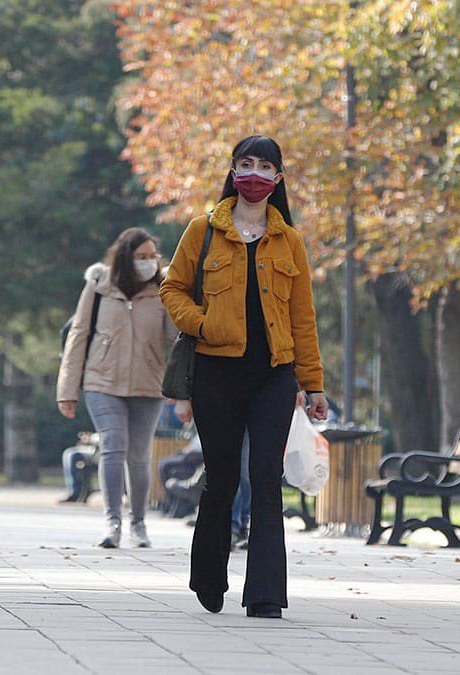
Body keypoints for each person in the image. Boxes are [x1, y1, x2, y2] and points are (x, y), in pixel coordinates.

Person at [160, 135, 327, 620]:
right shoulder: (202, 230)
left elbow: (303, 318)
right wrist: (201, 323)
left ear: (278, 178)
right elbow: (171, 288)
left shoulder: (289, 241)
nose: (254, 174)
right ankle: (209, 578)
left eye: (265, 166)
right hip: (216, 371)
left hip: (273, 374)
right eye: (245, 164)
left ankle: (266, 594)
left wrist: (312, 385)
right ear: (233, 171)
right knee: (222, 476)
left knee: (266, 478)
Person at [56, 228, 177, 548]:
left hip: (148, 384)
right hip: (102, 381)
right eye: (142, 257)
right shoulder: (99, 285)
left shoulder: (163, 288)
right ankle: (112, 523)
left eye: (153, 257)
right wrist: (67, 390)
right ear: (125, 257)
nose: (149, 263)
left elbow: (175, 339)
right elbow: (78, 334)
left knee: (138, 456)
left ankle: (138, 523)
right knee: (113, 446)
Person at [59, 432, 100, 503]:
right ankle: (74, 491)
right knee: (68, 453)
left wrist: (91, 438)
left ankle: (76, 492)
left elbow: (106, 435)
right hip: (99, 449)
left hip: (104, 453)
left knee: (73, 455)